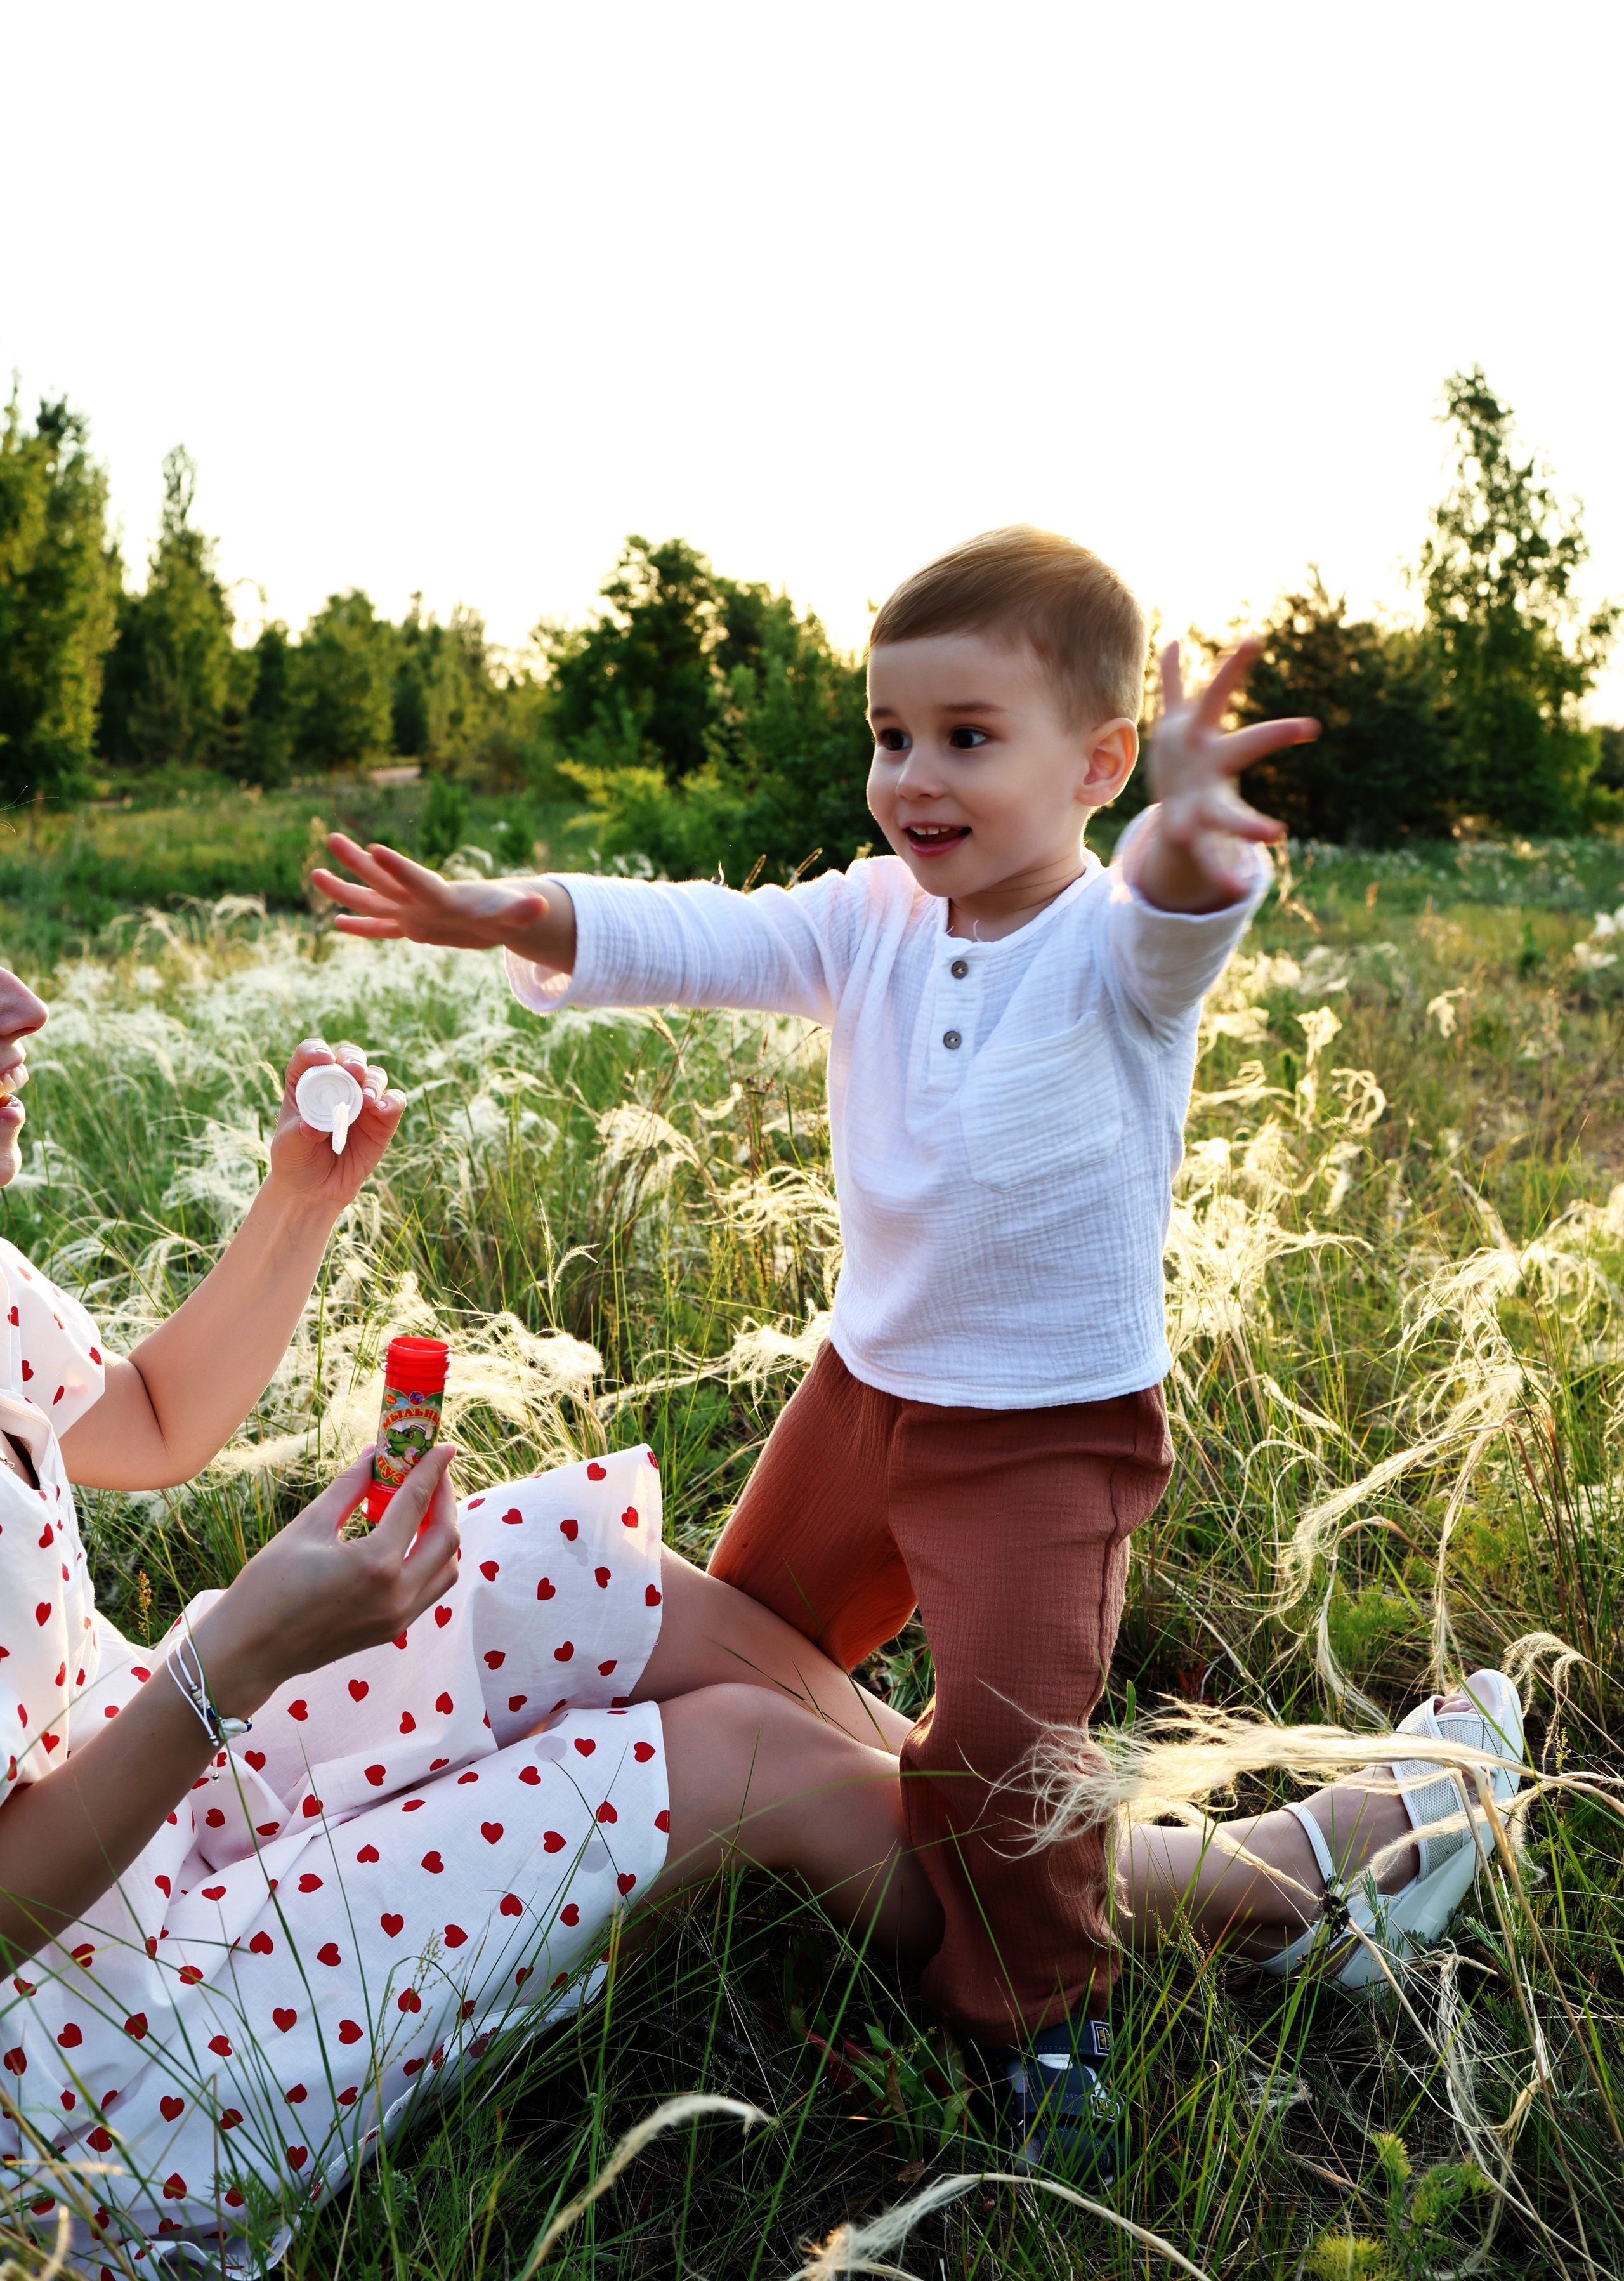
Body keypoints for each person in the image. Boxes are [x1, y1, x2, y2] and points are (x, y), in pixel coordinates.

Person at [0, 961, 1524, 2271]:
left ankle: (1054, 1861)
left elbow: (142, 1418)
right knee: (730, 1759)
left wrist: (296, 1204)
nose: (25, 1005)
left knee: (564, 1573)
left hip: (155, 1790)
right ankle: (1272, 1904)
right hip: (92, 2043)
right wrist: (233, 1660)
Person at [311, 522, 1325, 2169]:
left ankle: (1042, 2011)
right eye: (890, 735)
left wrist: (1196, 836)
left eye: (968, 740)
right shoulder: (870, 917)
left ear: (1102, 761)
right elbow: (711, 933)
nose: (914, 776)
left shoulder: (1112, 954)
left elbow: (1177, 910)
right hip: (867, 1396)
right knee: (752, 1627)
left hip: (1041, 1440)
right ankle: (763, 1835)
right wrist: (514, 913)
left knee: (1010, 1760)